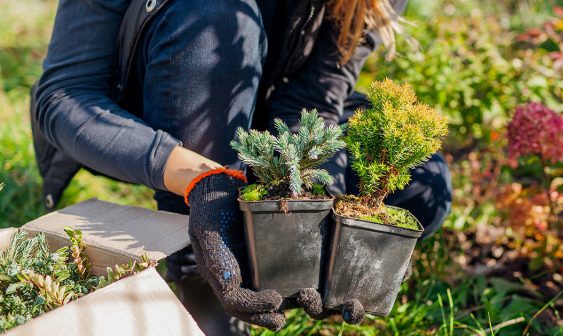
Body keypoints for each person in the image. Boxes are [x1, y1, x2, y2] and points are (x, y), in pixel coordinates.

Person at [31, 0, 452, 334]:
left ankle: (253, 244)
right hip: (160, 97)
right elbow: (64, 94)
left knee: (421, 189)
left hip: (262, 111)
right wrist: (204, 182)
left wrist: (324, 208)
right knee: (216, 11)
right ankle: (202, 274)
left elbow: (315, 100)